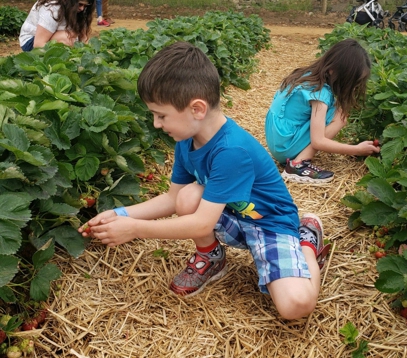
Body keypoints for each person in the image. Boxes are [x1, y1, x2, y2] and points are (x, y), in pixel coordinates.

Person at [79, 41, 331, 320]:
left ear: (196, 109)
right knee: (187, 196)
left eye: (160, 115)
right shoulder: (187, 140)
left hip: (271, 225)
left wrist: (134, 228)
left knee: (295, 306)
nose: (156, 124)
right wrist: (118, 214)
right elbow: (173, 199)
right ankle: (211, 257)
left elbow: (201, 223)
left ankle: (306, 240)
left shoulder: (232, 151)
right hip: (233, 216)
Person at [265, 39, 379, 185]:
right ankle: (297, 165)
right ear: (334, 70)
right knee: (340, 117)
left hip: (276, 140)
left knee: (336, 110)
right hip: (285, 146)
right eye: (351, 80)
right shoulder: (320, 93)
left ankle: (296, 157)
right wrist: (356, 149)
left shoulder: (306, 75)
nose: (354, 86)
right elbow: (318, 142)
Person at [19, 0, 95, 52]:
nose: (82, 8)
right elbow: (38, 44)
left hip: (53, 36)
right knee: (67, 38)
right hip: (31, 42)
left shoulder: (80, 9)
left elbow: (83, 39)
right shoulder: (52, 7)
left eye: (85, 6)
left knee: (72, 37)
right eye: (80, 4)